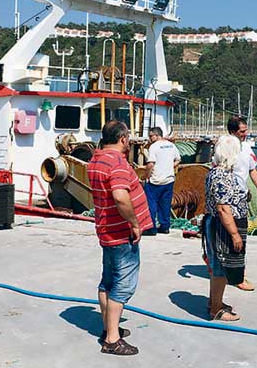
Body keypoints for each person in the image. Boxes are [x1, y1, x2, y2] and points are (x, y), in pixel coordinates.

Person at [88, 120, 153, 355]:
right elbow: (120, 196)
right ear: (123, 139)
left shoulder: (96, 159)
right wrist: (134, 223)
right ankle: (112, 340)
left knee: (108, 281)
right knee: (122, 285)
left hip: (106, 230)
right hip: (121, 233)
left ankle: (108, 328)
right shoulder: (117, 162)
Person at [202, 135, 248, 322]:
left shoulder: (216, 172)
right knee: (220, 267)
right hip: (222, 227)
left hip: (219, 224)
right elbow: (223, 208)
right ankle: (216, 308)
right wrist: (235, 234)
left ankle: (215, 301)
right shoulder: (222, 176)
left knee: (218, 266)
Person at [227, 116, 257, 291]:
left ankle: (235, 272)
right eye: (242, 131)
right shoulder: (225, 148)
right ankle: (236, 277)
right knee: (232, 236)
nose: (245, 134)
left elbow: (252, 169)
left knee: (240, 237)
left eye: (246, 130)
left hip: (242, 198)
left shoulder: (247, 147)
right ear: (232, 132)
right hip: (228, 199)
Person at [142, 127, 181, 236]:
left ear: (156, 135)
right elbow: (178, 159)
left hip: (155, 180)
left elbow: (150, 164)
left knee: (151, 204)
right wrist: (169, 167)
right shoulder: (171, 145)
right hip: (169, 179)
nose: (149, 139)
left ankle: (151, 228)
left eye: (150, 136)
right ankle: (165, 227)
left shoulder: (154, 147)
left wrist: (146, 176)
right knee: (165, 204)